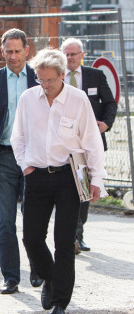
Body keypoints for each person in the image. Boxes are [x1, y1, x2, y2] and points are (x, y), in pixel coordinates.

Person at [11, 48, 106, 314]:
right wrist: (25, 166)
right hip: (37, 175)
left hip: (68, 177)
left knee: (64, 241)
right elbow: (18, 137)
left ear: (63, 76)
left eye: (50, 80)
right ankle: (51, 278)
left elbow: (91, 142)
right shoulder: (29, 98)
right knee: (31, 237)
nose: (45, 85)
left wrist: (96, 180)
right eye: (40, 79)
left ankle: (60, 303)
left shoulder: (77, 100)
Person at [0, 28, 42, 295]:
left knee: (33, 218)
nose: (13, 56)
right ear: (1, 52)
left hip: (34, 158)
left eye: (18, 51)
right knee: (5, 221)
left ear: (27, 50)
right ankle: (11, 277)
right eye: (8, 51)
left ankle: (38, 268)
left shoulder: (39, 78)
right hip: (2, 156)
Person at [60, 38, 117, 254]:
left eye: (74, 54)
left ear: (82, 55)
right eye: (66, 54)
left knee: (84, 189)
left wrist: (106, 124)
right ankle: (66, 234)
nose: (70, 58)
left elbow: (110, 103)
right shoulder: (56, 77)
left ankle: (78, 235)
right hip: (64, 143)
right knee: (66, 190)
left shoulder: (95, 76)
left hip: (87, 143)